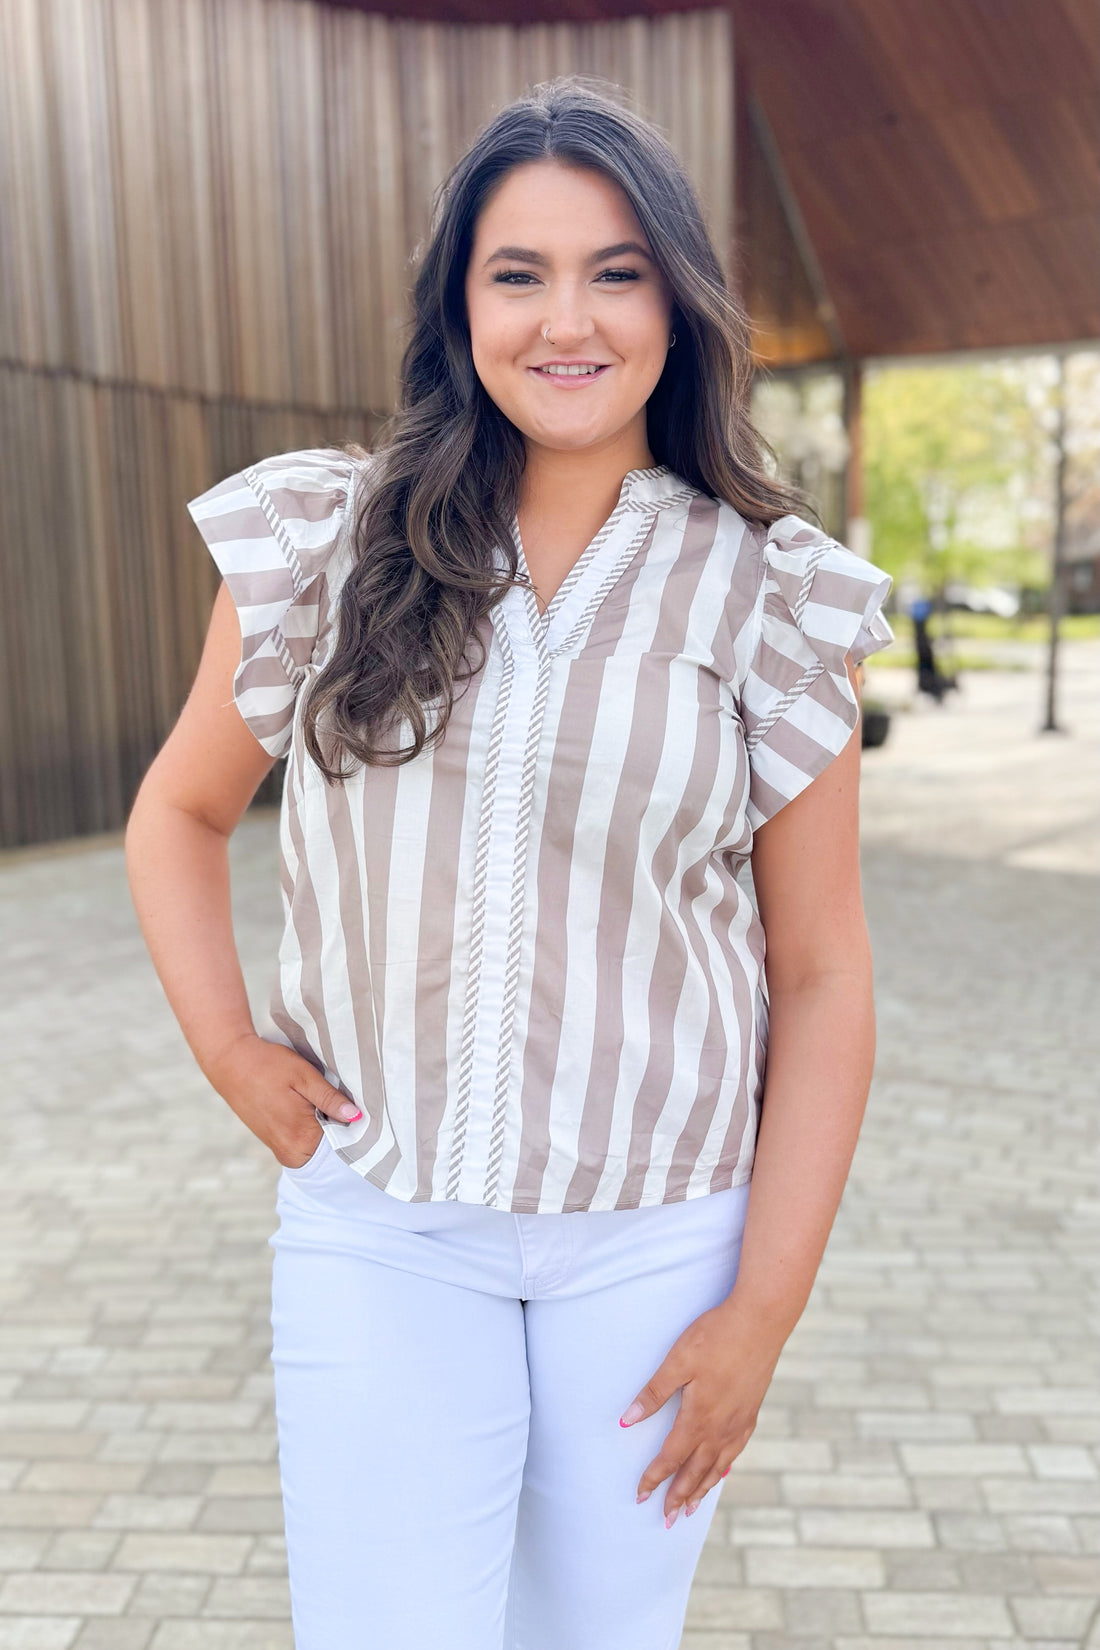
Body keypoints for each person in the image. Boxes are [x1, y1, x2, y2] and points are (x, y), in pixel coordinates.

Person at [125, 77, 895, 1650]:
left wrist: (763, 1307)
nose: (570, 319)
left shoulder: (773, 592)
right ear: (458, 303)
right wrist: (225, 1045)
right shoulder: (323, 544)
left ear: (677, 303)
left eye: (617, 271)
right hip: (383, 1229)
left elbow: (822, 972)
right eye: (518, 272)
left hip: (660, 1240)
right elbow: (180, 811)